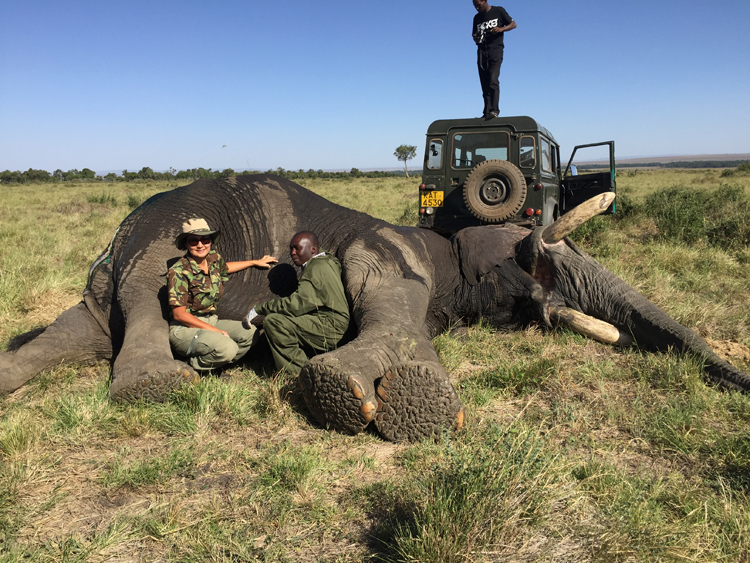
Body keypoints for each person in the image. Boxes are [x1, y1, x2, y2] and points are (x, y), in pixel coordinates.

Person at [167, 218, 277, 372]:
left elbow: (225, 268)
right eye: (193, 241)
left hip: (211, 320)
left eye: (205, 239)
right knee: (228, 347)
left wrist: (254, 262)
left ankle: (216, 365)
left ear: (210, 241)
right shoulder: (178, 271)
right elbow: (179, 315)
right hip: (185, 328)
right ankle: (190, 367)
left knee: (250, 333)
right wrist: (215, 331)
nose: (200, 245)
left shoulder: (213, 259)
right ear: (186, 244)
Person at [245, 231, 349, 375]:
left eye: (297, 248)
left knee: (274, 322)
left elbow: (297, 304)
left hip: (331, 326)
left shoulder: (316, 269)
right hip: (339, 324)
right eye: (291, 248)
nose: (292, 253)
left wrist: (260, 308)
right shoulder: (328, 261)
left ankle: (299, 375)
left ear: (313, 249)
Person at [472, 0, 516, 119]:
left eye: (478, 5)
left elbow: (514, 24)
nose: (476, 8)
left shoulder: (498, 11)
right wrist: (475, 37)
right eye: (474, 6)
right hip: (481, 52)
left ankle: (494, 110)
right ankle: (486, 112)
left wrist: (501, 29)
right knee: (484, 83)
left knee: (492, 80)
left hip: (495, 50)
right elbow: (474, 34)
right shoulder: (476, 18)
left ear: (484, 1)